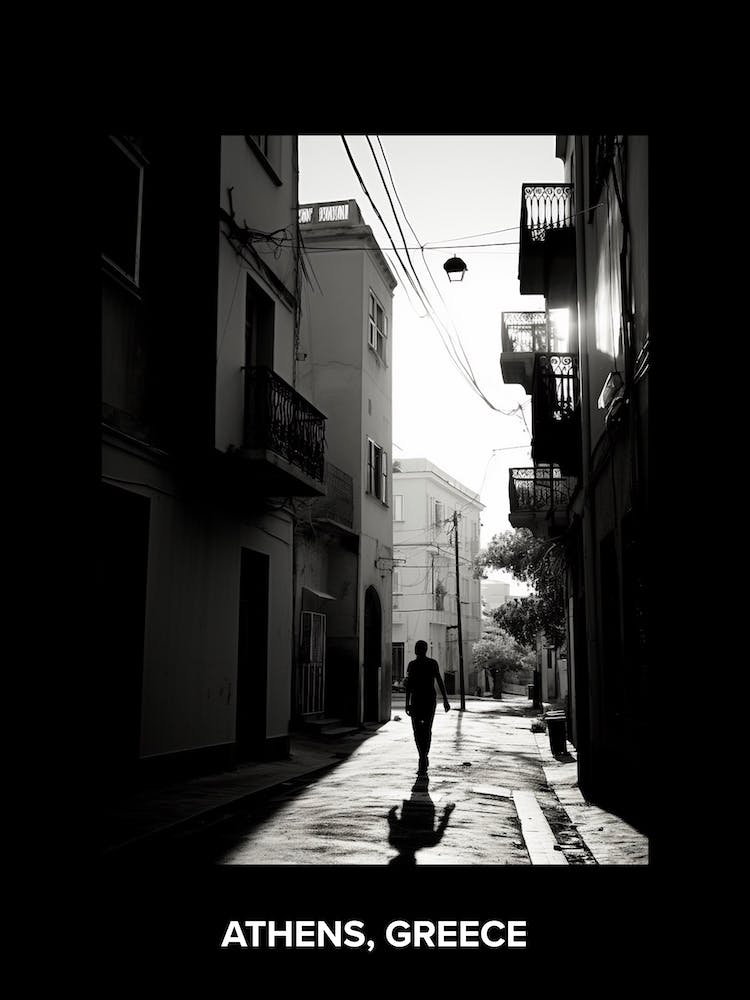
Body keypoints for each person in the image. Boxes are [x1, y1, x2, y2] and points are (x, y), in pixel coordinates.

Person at [404, 640, 450, 775]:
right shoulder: (431, 663)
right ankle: (423, 756)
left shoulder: (413, 665)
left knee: (418, 730)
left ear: (417, 650)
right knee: (426, 729)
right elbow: (439, 681)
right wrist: (445, 700)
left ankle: (422, 756)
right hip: (428, 701)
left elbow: (409, 686)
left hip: (419, 701)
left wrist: (407, 703)